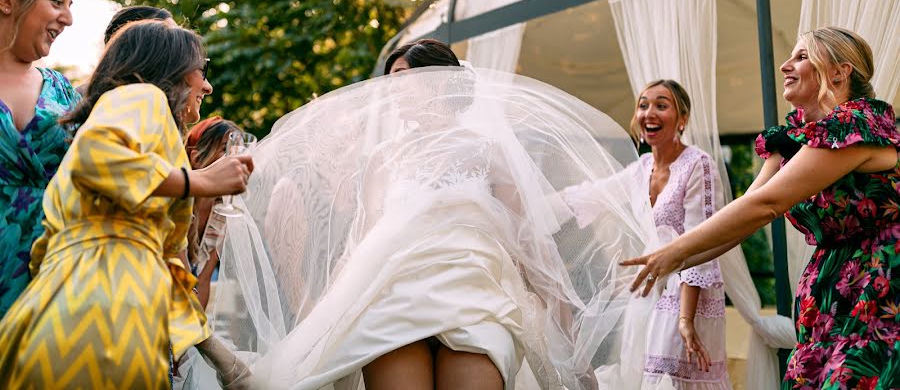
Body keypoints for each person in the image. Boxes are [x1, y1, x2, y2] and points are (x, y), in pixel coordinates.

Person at [188, 38, 661, 390]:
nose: (392, 93)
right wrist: (325, 311)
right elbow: (365, 243)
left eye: (403, 81)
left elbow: (530, 244)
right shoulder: (382, 159)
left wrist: (564, 323)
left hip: (476, 303)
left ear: (441, 82)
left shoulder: (489, 153)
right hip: (393, 304)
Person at [623, 27, 900, 389]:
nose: (785, 65)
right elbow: (745, 214)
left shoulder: (856, 126)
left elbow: (767, 205)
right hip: (831, 297)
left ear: (839, 72)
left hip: (878, 290)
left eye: (801, 57)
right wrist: (673, 263)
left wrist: (676, 251)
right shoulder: (795, 137)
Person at [0, 21, 255, 389]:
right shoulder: (142, 97)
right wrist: (199, 181)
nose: (207, 84)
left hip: (70, 312)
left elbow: (169, 269)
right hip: (103, 317)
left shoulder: (144, 128)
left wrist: (221, 359)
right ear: (174, 69)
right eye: (203, 69)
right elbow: (96, 157)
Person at [563, 80, 731, 389]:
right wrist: (533, 198)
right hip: (647, 296)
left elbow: (701, 241)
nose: (649, 112)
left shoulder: (698, 164)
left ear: (682, 119)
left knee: (675, 380)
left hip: (686, 300)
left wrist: (686, 319)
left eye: (661, 105)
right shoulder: (640, 168)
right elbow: (591, 195)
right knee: (645, 378)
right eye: (643, 105)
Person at [0, 0, 79, 318]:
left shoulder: (64, 92)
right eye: (56, 2)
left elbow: (105, 168)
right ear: (6, 0)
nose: (68, 18)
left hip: (57, 271)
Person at [184, 116, 243, 308]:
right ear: (197, 158)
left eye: (240, 152)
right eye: (226, 150)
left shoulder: (222, 213)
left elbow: (203, 280)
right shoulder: (177, 206)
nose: (236, 161)